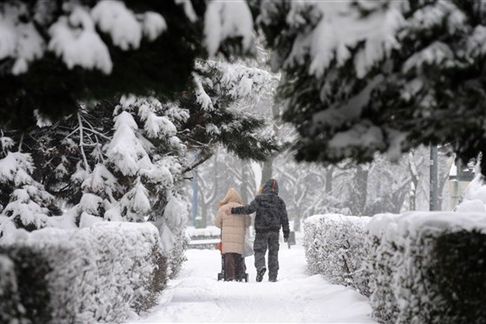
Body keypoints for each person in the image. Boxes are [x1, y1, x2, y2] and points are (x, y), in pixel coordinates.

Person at [230, 179, 289, 282]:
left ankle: (261, 267)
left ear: (265, 187)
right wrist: (286, 232)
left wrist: (235, 210)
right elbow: (284, 218)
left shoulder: (259, 199)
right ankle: (273, 277)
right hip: (274, 232)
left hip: (261, 231)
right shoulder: (280, 201)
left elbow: (249, 209)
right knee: (273, 254)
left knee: (259, 251)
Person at [214, 188, 251, 281]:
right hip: (239, 238)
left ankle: (230, 276)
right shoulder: (242, 209)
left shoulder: (222, 209)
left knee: (228, 256)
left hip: (226, 238)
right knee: (238, 255)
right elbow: (248, 223)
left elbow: (217, 223)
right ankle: (239, 275)